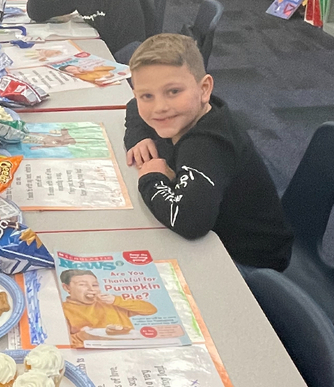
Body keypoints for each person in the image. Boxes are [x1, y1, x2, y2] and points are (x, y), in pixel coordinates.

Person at [124, 33, 293, 271]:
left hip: (251, 263)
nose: (159, 107)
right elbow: (134, 107)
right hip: (220, 233)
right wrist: (139, 137)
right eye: (147, 96)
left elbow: (189, 221)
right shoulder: (193, 113)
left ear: (204, 89)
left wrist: (151, 178)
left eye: (173, 92)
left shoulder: (206, 145)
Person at [60, 268, 157, 347]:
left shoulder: (112, 303)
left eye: (95, 285)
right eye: (82, 285)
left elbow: (150, 309)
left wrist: (117, 300)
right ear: (67, 288)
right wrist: (82, 336)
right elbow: (61, 344)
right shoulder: (63, 309)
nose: (91, 289)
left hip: (130, 349)